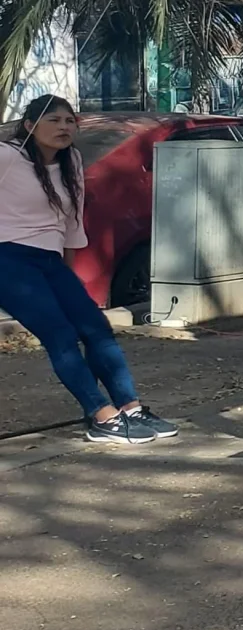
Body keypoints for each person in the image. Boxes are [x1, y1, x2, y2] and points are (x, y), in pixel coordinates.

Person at [3, 96, 173, 444]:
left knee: (96, 328)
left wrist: (68, 275)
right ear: (29, 126)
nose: (63, 127)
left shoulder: (72, 161)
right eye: (53, 120)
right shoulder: (8, 156)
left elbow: (71, 225)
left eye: (69, 121)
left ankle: (130, 407)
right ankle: (101, 415)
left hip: (50, 261)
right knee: (60, 335)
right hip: (9, 260)